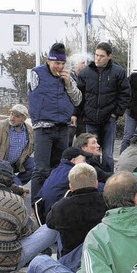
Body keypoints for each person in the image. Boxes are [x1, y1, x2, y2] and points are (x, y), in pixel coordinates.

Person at [8, 163, 107, 273]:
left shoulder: (62, 206)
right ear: (96, 184)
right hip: (101, 256)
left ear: (70, 186)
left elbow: (50, 224)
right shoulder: (107, 202)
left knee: (52, 229)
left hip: (71, 261)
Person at [28, 43, 82, 204]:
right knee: (41, 169)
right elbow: (32, 92)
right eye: (56, 63)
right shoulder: (36, 73)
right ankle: (35, 204)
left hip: (62, 128)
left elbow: (78, 100)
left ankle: (56, 201)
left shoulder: (68, 77)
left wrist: (69, 84)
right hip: (43, 127)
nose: (59, 67)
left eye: (62, 63)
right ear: (48, 61)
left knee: (61, 168)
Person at [77, 42, 131, 172]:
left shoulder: (118, 72)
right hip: (90, 120)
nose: (98, 58)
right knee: (91, 154)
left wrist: (116, 113)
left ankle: (109, 184)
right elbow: (79, 96)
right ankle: (92, 181)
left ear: (109, 56)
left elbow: (125, 94)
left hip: (109, 119)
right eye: (96, 55)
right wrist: (79, 114)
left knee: (107, 155)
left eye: (101, 56)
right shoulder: (85, 72)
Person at [0, 104, 34, 186]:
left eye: (16, 116)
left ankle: (14, 184)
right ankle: (14, 185)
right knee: (16, 186)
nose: (12, 118)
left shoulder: (29, 130)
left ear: (24, 119)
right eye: (11, 114)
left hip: (18, 163)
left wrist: (24, 156)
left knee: (34, 166)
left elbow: (32, 146)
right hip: (1, 163)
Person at [35, 146, 95, 220]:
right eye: (83, 161)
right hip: (61, 218)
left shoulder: (56, 171)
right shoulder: (74, 173)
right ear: (73, 160)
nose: (86, 164)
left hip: (47, 216)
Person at [68, 53, 90, 145]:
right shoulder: (68, 78)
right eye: (82, 63)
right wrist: (73, 113)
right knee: (67, 141)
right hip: (70, 114)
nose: (85, 65)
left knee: (82, 142)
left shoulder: (85, 77)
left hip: (82, 115)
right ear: (75, 65)